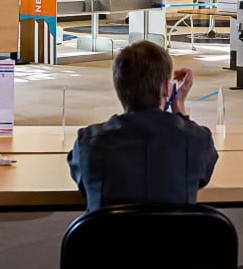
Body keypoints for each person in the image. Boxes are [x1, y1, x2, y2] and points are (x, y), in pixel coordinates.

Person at [68, 40, 218, 211]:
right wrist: (179, 105)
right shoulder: (197, 141)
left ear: (119, 87)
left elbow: (83, 184)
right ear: (165, 89)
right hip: (176, 237)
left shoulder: (89, 143)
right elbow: (202, 177)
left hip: (107, 237)